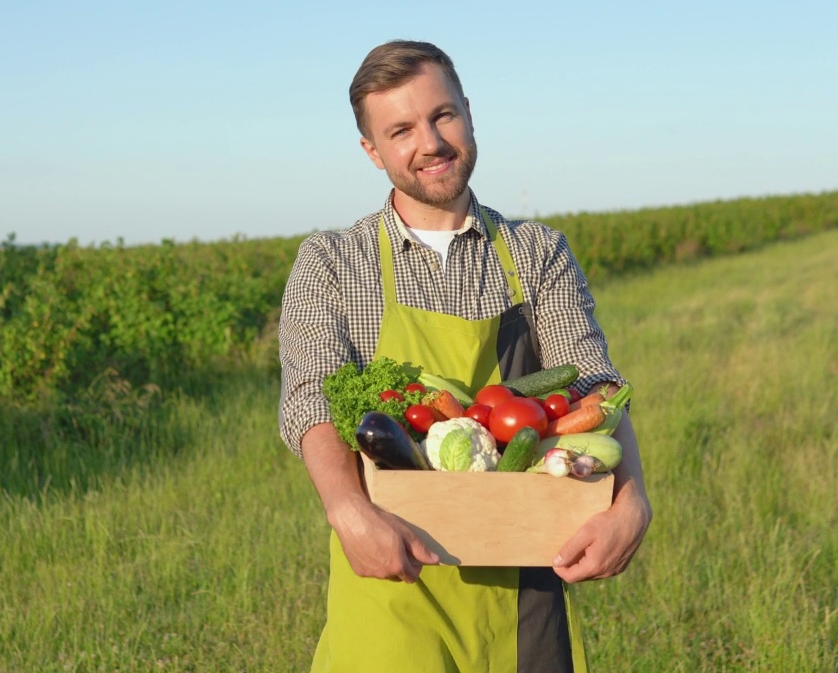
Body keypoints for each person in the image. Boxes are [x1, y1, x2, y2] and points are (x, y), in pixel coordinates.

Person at [277, 40, 653, 672]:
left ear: (469, 114)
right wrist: (346, 511)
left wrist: (633, 500)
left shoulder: (537, 254)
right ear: (373, 151)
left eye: (442, 115)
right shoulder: (332, 263)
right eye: (400, 130)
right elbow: (311, 399)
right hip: (392, 573)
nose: (430, 142)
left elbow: (595, 387)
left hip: (525, 582)